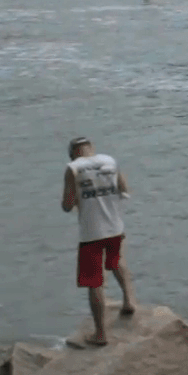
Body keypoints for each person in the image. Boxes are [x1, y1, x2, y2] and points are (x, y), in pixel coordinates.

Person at [61, 136, 137, 346]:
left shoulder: (73, 168)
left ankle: (100, 333)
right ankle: (129, 300)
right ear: (90, 148)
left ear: (73, 153)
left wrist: (77, 198)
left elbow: (67, 204)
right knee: (117, 261)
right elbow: (124, 190)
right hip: (115, 226)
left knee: (94, 282)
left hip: (91, 232)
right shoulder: (110, 161)